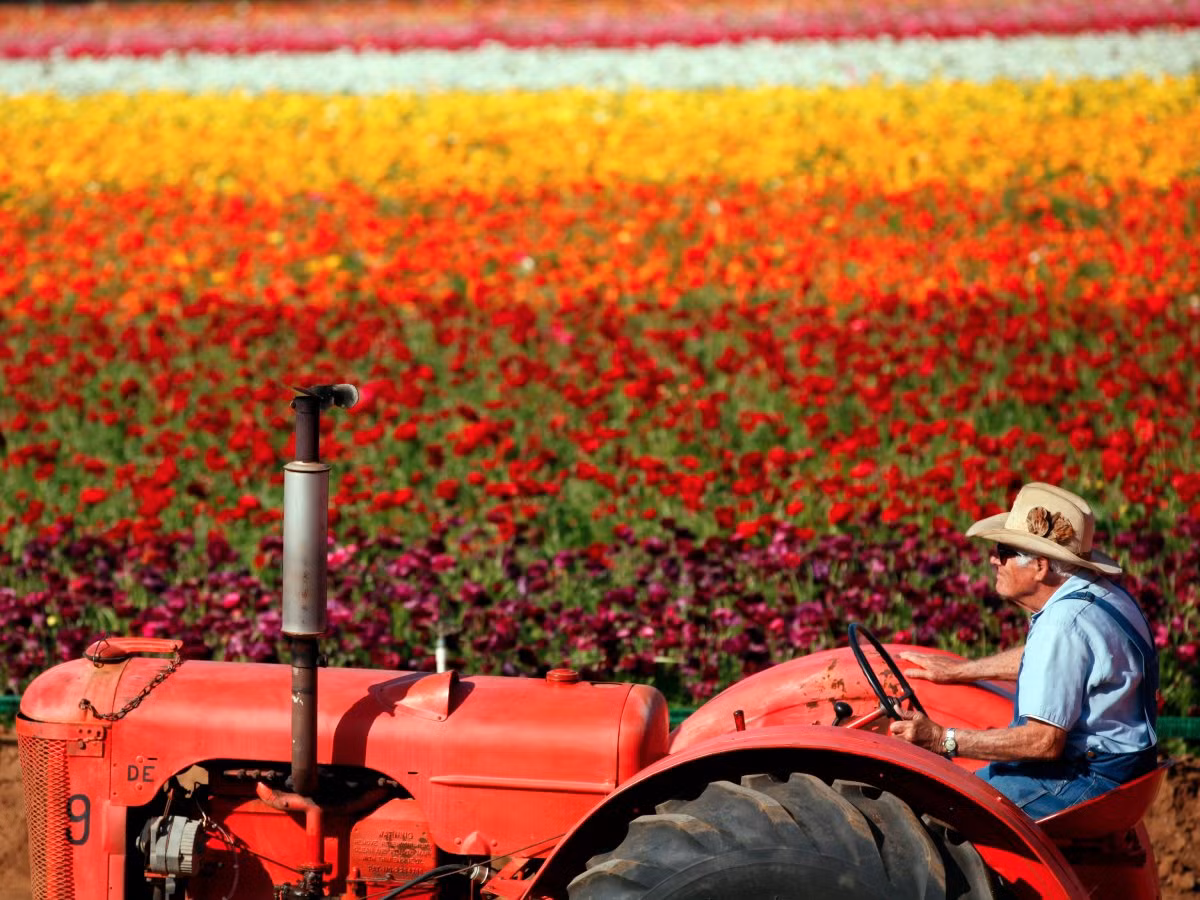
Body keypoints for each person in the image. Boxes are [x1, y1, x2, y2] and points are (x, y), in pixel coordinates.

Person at [888, 482, 1159, 818]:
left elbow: (1043, 741)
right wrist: (961, 670)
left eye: (1004, 552)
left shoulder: (1062, 623)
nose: (993, 560)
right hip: (1126, 770)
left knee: (939, 813)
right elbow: (1061, 663)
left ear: (1041, 566)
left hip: (1087, 778)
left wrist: (943, 739)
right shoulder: (1104, 595)